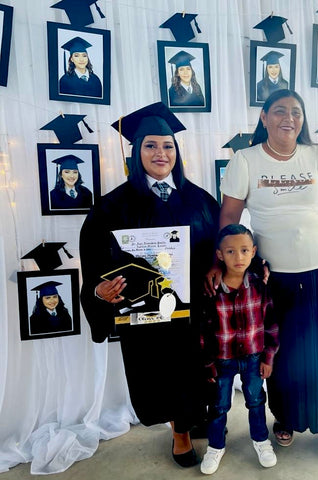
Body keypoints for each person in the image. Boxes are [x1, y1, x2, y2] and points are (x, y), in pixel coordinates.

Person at [207, 89, 318, 458]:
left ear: (302, 120)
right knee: (281, 351)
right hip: (272, 278)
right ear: (264, 117)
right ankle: (284, 417)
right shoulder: (245, 160)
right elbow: (229, 217)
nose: (288, 118)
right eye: (279, 111)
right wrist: (221, 262)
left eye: (296, 112)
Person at [79, 102, 220, 468]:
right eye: (151, 145)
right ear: (136, 151)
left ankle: (195, 417)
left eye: (168, 145)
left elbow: (220, 245)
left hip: (194, 309)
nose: (161, 153)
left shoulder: (198, 198)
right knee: (163, 374)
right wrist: (99, 291)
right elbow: (94, 263)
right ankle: (180, 432)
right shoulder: (112, 206)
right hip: (148, 316)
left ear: (178, 151)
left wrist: (218, 269)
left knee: (200, 368)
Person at [199, 224, 279, 474]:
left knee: (256, 401)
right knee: (219, 405)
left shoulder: (259, 285)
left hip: (254, 358)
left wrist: (269, 357)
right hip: (222, 360)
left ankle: (260, 440)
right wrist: (207, 363)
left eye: (244, 250)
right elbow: (203, 330)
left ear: (253, 251)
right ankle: (215, 446)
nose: (239, 257)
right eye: (231, 252)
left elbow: (271, 323)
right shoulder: (212, 291)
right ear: (220, 255)